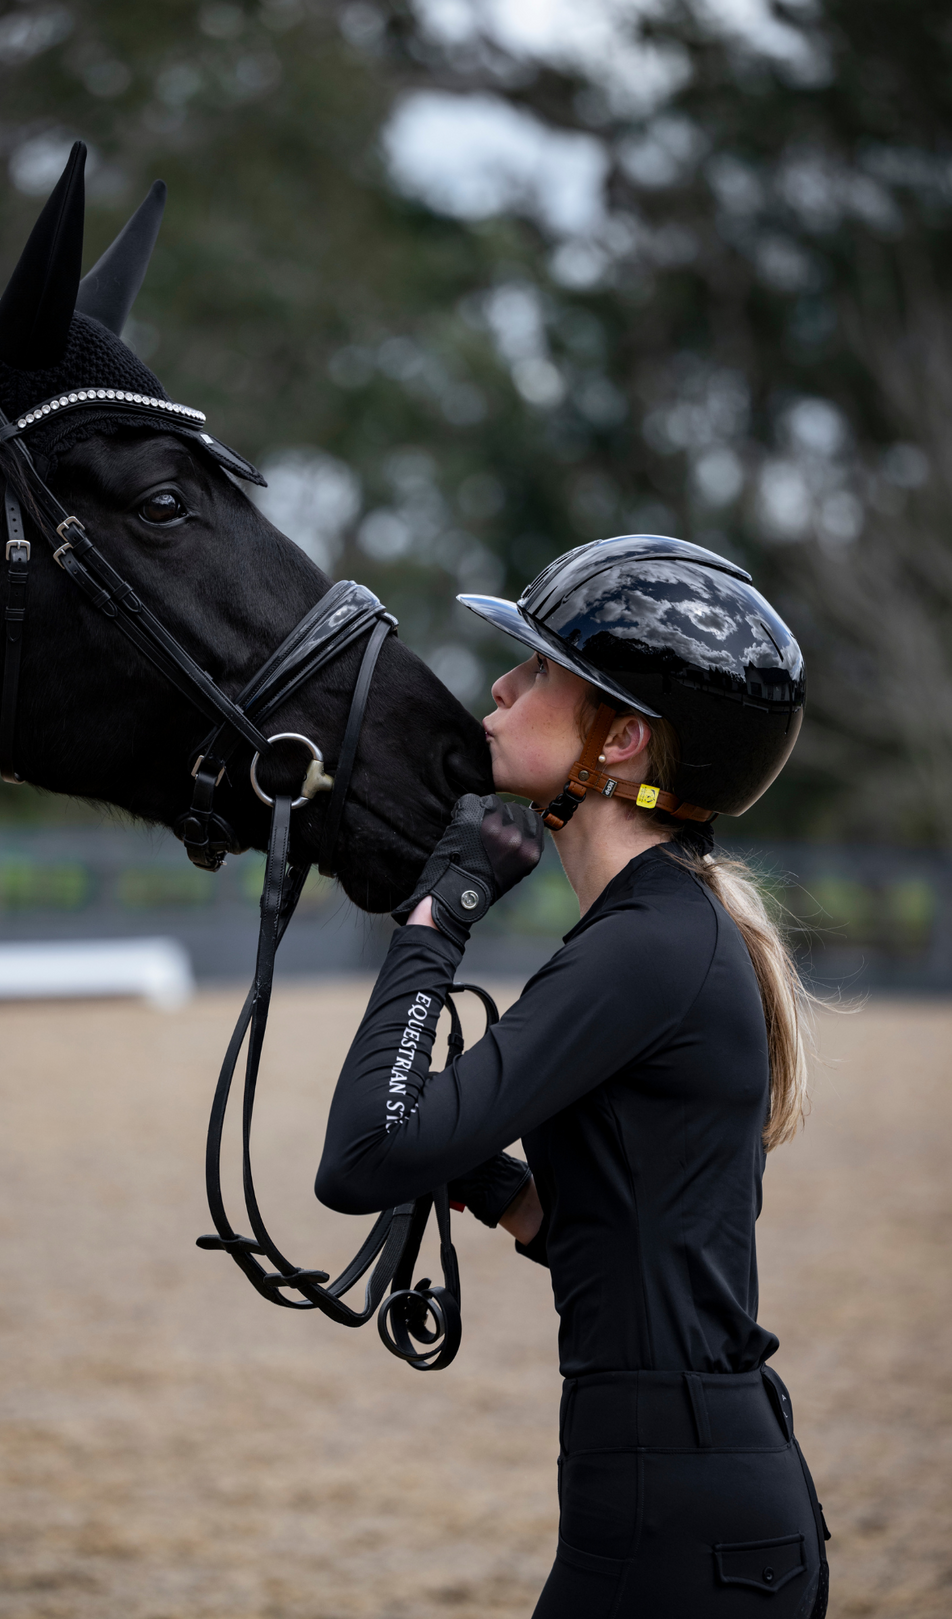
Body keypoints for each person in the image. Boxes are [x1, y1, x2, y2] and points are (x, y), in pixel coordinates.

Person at [315, 535, 830, 1618]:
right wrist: (488, 1181)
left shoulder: (645, 945)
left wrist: (438, 910)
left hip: (678, 1519)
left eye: (540, 671)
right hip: (684, 1498)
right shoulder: (658, 930)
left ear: (624, 740)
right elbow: (605, 1230)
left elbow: (362, 1152)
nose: (499, 690)